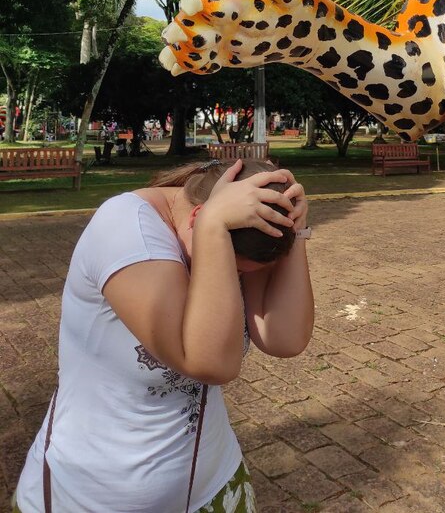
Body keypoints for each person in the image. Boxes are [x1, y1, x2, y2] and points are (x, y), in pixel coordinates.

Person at [14, 157, 314, 513]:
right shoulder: (125, 229)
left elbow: (284, 338)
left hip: (215, 484)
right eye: (235, 270)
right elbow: (209, 362)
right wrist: (212, 229)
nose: (238, 277)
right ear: (196, 217)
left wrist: (296, 230)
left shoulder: (241, 233)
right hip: (94, 498)